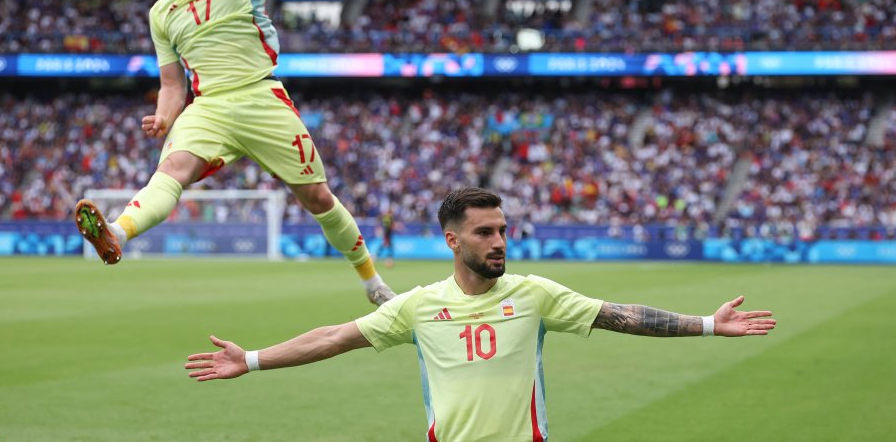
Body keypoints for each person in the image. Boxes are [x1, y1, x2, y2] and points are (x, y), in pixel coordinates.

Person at [185, 187, 776, 441]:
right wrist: (254, 359)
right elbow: (335, 338)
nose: (499, 241)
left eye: (503, 230)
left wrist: (705, 323)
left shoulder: (535, 294)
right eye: (485, 232)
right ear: (453, 240)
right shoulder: (419, 307)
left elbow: (616, 314)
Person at [74, 0, 395, 306]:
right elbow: (172, 84)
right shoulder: (161, 12)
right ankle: (117, 233)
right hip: (209, 108)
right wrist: (166, 116)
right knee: (172, 170)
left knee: (318, 197)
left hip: (261, 96)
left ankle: (373, 284)